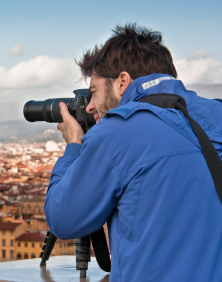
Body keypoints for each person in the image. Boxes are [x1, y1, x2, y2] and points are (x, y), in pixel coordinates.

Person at [44, 23, 222, 281]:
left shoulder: (118, 131)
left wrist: (74, 145)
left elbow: (63, 219)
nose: (91, 107)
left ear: (122, 82)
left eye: (94, 92)